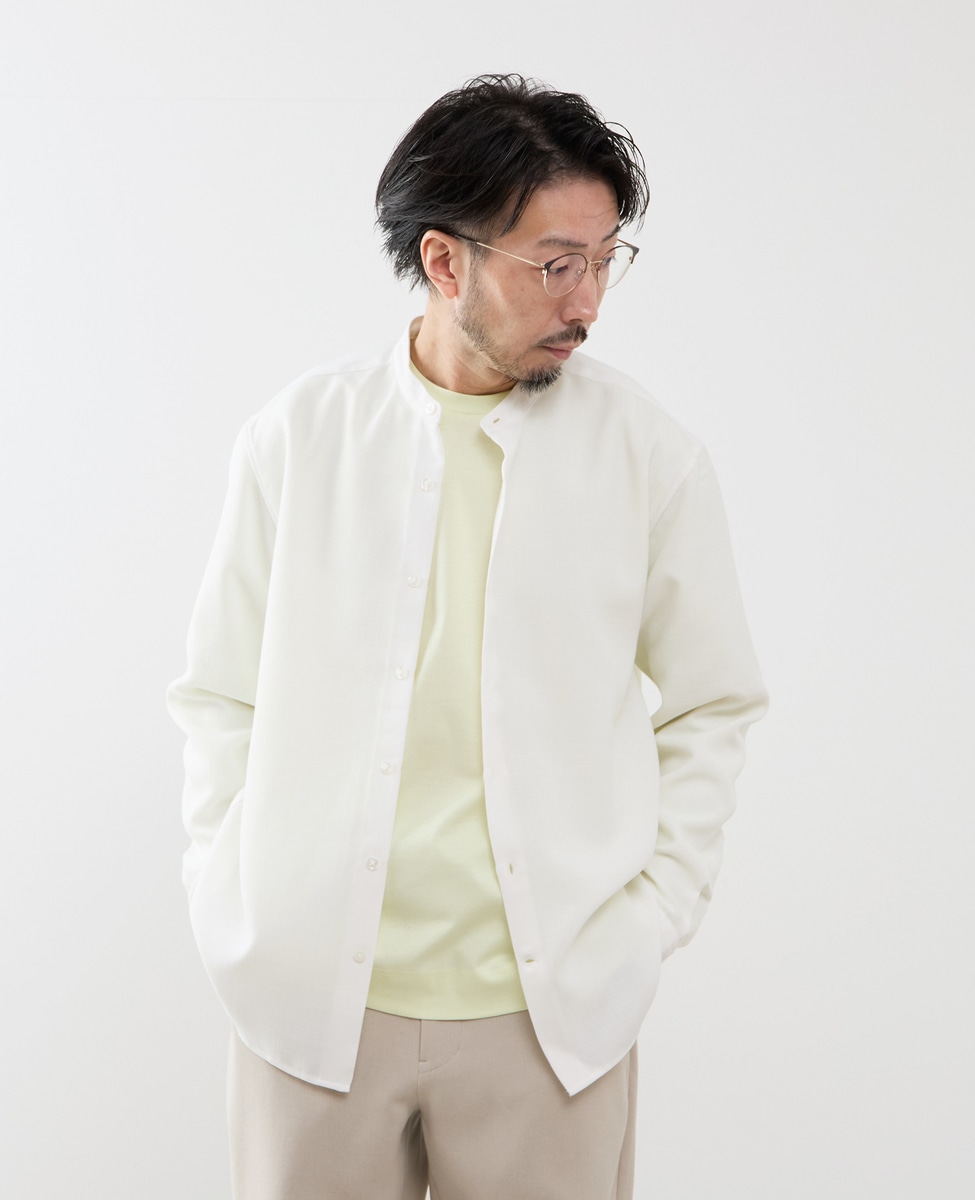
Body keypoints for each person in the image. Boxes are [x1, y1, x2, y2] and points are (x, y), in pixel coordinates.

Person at [168, 73, 767, 1200]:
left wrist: (647, 919)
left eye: (606, 260)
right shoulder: (299, 439)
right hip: (309, 1010)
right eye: (556, 264)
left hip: (549, 1023)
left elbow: (713, 702)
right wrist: (230, 896)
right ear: (446, 262)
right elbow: (218, 694)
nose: (588, 301)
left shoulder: (649, 457)